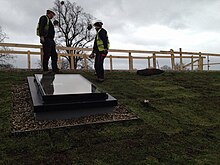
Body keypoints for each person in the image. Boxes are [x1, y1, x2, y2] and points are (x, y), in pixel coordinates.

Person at [37, 9, 59, 74]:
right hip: (46, 39)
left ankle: (55, 69)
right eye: (53, 14)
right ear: (50, 13)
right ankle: (45, 69)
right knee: (47, 54)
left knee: (54, 55)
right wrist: (41, 36)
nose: (53, 16)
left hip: (51, 40)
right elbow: (41, 27)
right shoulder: (44, 18)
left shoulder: (49, 21)